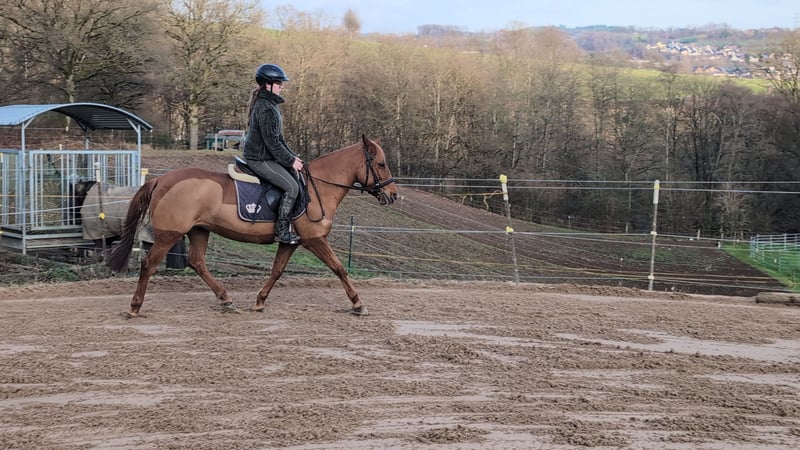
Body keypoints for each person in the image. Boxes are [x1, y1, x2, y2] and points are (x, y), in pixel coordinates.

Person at [242, 63, 303, 244]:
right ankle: (282, 231)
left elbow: (278, 138)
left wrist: (292, 157)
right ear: (267, 84)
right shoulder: (267, 108)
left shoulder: (268, 104)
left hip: (265, 156)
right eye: (278, 83)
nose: (281, 86)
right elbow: (272, 143)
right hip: (259, 159)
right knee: (292, 187)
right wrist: (290, 161)